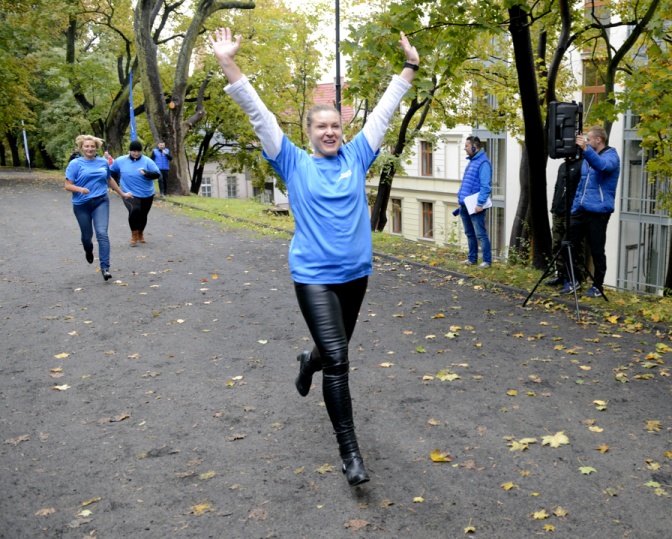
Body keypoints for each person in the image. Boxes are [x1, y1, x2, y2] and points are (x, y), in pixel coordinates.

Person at [210, 26, 419, 487]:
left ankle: (310, 360)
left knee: (332, 351)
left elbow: (384, 114)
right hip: (314, 277)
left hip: (356, 275)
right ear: (308, 134)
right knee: (341, 362)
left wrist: (409, 67)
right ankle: (351, 454)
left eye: (336, 126)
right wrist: (229, 63)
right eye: (321, 126)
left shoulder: (358, 156)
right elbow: (260, 115)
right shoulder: (293, 162)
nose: (330, 132)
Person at [560, 126, 620, 298]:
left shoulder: (612, 156)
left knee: (596, 250)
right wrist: (575, 207)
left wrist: (585, 150)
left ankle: (597, 287)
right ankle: (573, 280)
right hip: (582, 210)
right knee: (566, 244)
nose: (586, 142)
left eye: (589, 139)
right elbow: (582, 185)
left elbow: (603, 167)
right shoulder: (588, 158)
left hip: (599, 211)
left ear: (598, 140)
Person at [64, 135, 132, 281]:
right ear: (82, 148)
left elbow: (109, 179)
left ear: (96, 148)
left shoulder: (103, 162)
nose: (90, 149)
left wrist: (122, 193)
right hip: (81, 204)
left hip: (101, 201)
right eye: (87, 146)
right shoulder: (75, 164)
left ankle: (105, 268)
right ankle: (88, 250)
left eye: (92, 146)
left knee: (102, 233)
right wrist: (80, 189)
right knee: (87, 236)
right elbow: (67, 185)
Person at [110, 140, 161, 246]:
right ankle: (134, 235)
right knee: (135, 210)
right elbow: (112, 172)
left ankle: (140, 233)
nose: (136, 153)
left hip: (147, 193)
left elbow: (157, 174)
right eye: (134, 151)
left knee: (143, 214)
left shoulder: (147, 161)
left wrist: (147, 173)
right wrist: (115, 185)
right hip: (128, 192)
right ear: (130, 151)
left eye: (138, 151)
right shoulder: (120, 160)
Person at [546, 156, 584, 287]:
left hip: (572, 214)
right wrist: (553, 206)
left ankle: (576, 277)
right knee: (557, 245)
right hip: (558, 211)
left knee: (574, 247)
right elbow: (557, 187)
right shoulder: (563, 166)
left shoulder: (582, 164)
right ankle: (561, 275)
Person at [456, 135, 493, 268]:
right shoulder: (472, 162)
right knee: (469, 233)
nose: (465, 149)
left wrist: (480, 204)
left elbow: (485, 186)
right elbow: (466, 184)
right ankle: (472, 259)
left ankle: (487, 261)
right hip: (465, 205)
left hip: (475, 206)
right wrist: (460, 199)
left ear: (474, 146)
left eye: (466, 146)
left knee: (481, 234)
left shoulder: (483, 163)